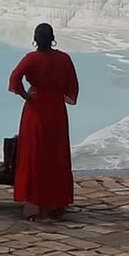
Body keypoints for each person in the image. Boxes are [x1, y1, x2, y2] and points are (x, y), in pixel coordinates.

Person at [8, 23, 79, 221]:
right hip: (56, 111)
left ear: (35, 39)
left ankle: (38, 206)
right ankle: (57, 203)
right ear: (52, 37)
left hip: (36, 110)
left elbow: (15, 78)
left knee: (35, 156)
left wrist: (25, 95)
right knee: (56, 156)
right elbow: (72, 86)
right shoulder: (64, 59)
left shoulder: (31, 58)